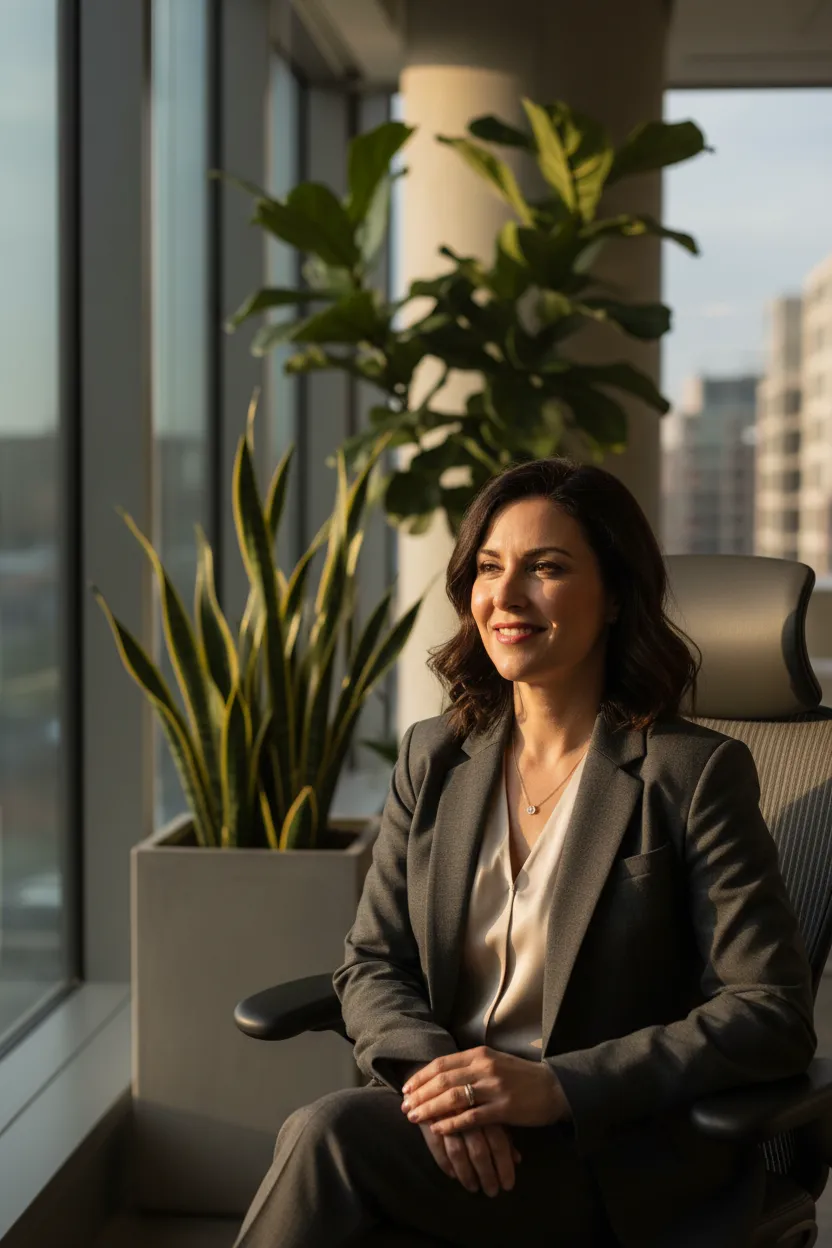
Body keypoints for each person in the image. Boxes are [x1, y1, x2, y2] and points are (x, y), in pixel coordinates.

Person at [233, 457, 816, 1248]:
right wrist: (438, 1092)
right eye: (488, 568)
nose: (505, 598)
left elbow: (767, 1012)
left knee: (329, 1138)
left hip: (612, 1159)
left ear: (614, 597)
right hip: (456, 1142)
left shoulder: (691, 773)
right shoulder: (435, 757)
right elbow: (372, 964)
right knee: (338, 1155)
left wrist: (557, 1088)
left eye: (547, 568)